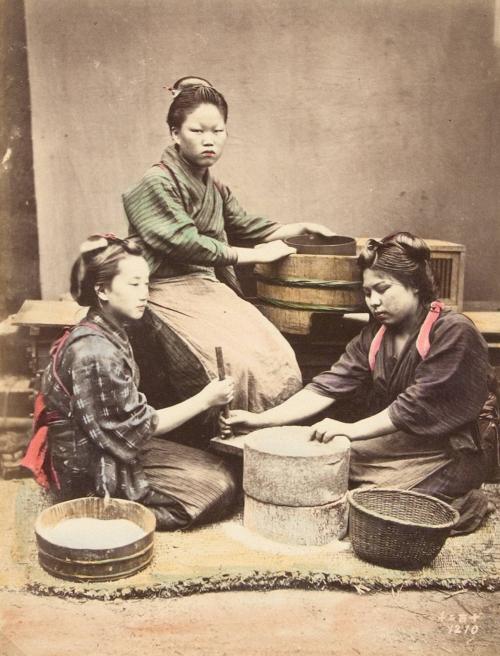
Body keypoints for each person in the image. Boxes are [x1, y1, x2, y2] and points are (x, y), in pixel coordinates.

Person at [223, 232, 499, 534]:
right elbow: (326, 386)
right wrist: (259, 420)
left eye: (383, 289)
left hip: (455, 451)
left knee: (365, 512)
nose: (373, 301)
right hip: (406, 441)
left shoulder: (453, 332)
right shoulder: (376, 334)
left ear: (415, 285)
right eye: (368, 293)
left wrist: (351, 430)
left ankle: (468, 503)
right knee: (325, 470)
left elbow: (417, 406)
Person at [122, 81, 334, 424]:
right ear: (175, 134)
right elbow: (184, 242)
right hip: (165, 289)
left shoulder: (214, 185)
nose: (209, 139)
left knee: (275, 352)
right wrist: (253, 256)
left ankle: (263, 430)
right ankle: (228, 432)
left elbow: (244, 225)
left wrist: (299, 228)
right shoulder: (154, 183)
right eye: (197, 130)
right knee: (233, 363)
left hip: (206, 286)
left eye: (218, 131)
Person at [21, 235, 237, 530]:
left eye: (146, 284)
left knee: (217, 468)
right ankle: (102, 512)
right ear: (102, 290)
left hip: (108, 443)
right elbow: (134, 429)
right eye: (134, 284)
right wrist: (205, 399)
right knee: (219, 488)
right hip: (89, 465)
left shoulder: (105, 329)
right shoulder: (94, 351)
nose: (144, 293)